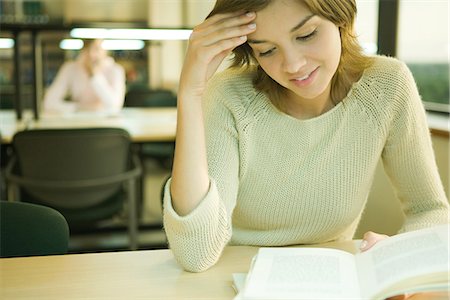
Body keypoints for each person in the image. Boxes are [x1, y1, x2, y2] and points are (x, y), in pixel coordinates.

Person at [163, 0, 450, 275]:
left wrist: (399, 252)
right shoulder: (230, 96)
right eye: (266, 51)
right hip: (238, 280)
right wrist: (190, 92)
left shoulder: (387, 86)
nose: (293, 65)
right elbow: (196, 253)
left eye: (306, 35)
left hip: (332, 283)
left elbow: (430, 210)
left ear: (340, 17)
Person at [42, 39, 126, 114]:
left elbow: (115, 106)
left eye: (96, 49)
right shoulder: (70, 68)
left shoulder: (116, 70)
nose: (91, 54)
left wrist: (94, 75)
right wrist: (78, 108)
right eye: (87, 49)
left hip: (106, 125)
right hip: (78, 122)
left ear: (105, 51)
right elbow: (48, 103)